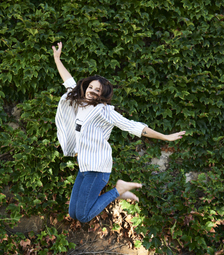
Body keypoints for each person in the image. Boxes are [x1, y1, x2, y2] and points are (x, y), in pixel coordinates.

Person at [52, 42, 185, 223]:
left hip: (98, 169)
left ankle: (118, 190)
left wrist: (164, 136)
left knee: (83, 216)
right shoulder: (80, 103)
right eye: (90, 87)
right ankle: (119, 193)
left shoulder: (105, 112)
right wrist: (57, 59)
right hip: (84, 165)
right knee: (73, 213)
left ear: (102, 94)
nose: (91, 91)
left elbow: (134, 126)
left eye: (97, 90)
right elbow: (69, 81)